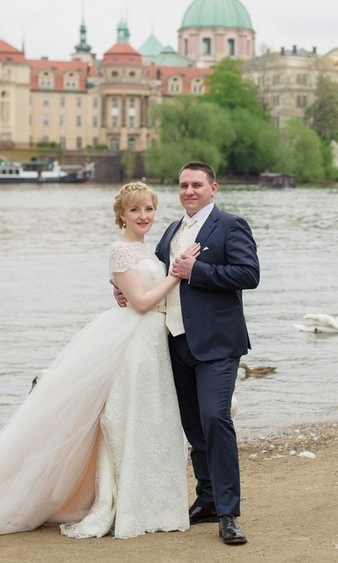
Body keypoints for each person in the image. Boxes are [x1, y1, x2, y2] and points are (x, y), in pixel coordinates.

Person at [0, 181, 197, 539]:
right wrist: (175, 275)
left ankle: (153, 503)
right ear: (121, 215)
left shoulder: (149, 251)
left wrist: (164, 278)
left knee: (151, 420)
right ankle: (123, 503)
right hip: (132, 341)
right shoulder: (120, 251)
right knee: (124, 420)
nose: (143, 216)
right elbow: (141, 302)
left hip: (152, 341)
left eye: (148, 209)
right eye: (135, 210)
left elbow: (146, 297)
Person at [117, 161, 260, 545]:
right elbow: (159, 276)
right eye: (183, 185)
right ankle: (208, 498)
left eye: (197, 184)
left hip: (217, 344)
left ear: (213, 188)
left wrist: (198, 271)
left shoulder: (231, 226)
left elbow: (250, 274)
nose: (189, 191)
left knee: (216, 419)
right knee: (193, 427)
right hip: (174, 342)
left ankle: (229, 513)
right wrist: (125, 292)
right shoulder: (170, 231)